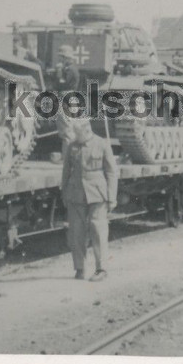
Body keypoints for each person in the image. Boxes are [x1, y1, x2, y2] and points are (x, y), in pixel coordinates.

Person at [61, 118, 118, 282]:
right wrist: (64, 193)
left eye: (77, 133)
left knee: (98, 231)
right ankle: (80, 268)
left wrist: (112, 197)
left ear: (87, 131)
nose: (74, 136)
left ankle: (101, 269)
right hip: (75, 194)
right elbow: (66, 171)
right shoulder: (73, 146)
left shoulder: (102, 144)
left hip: (97, 194)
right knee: (76, 232)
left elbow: (112, 172)